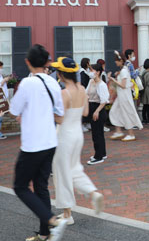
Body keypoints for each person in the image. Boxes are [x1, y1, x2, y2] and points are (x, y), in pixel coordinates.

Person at [9, 44, 68, 241]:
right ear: (47, 63)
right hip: (50, 141)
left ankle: (52, 220)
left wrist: (27, 114)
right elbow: (60, 115)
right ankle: (45, 234)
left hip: (32, 144)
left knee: (21, 187)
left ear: (28, 62)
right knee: (41, 186)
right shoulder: (53, 83)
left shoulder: (27, 83)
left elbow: (14, 110)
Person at [50, 57, 104, 225]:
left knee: (61, 172)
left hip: (64, 134)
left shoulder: (64, 93)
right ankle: (92, 193)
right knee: (74, 168)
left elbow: (59, 119)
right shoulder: (81, 88)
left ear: (61, 75)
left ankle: (67, 214)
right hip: (77, 134)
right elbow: (86, 111)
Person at [108, 51, 142, 141]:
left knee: (126, 113)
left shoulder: (123, 71)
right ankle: (118, 131)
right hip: (121, 95)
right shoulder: (123, 70)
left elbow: (123, 85)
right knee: (115, 111)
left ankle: (131, 134)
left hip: (124, 95)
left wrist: (112, 79)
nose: (115, 62)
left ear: (121, 61)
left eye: (116, 60)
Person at [86, 63, 110, 165]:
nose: (90, 72)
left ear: (98, 72)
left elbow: (104, 100)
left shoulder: (102, 84)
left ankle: (98, 156)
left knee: (97, 134)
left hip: (98, 109)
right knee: (97, 133)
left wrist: (97, 111)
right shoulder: (91, 81)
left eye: (92, 70)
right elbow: (86, 93)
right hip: (92, 107)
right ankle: (102, 153)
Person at [140, 59, 149, 124]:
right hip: (148, 91)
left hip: (144, 91)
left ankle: (144, 119)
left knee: (144, 106)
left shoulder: (143, 72)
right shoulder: (148, 73)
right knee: (148, 106)